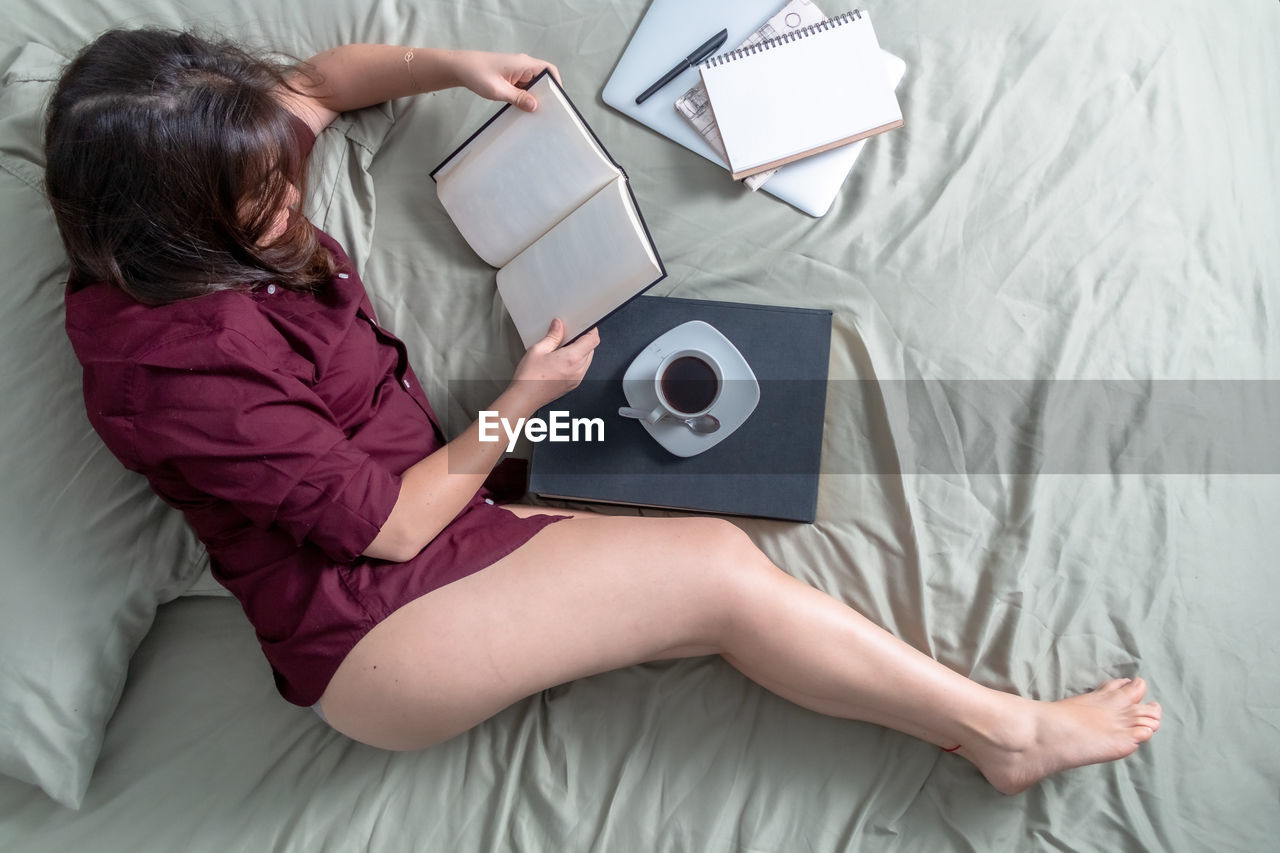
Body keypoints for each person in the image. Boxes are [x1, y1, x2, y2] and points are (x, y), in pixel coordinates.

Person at [44, 27, 1160, 797]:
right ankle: (1008, 732)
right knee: (715, 568)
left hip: (450, 519)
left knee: (699, 539)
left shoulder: (201, 163)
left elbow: (319, 87)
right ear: (175, 228)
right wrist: (521, 403)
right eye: (260, 201)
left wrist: (450, 67)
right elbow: (378, 526)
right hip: (375, 625)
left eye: (276, 175)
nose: (291, 196)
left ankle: (967, 734)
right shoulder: (168, 370)